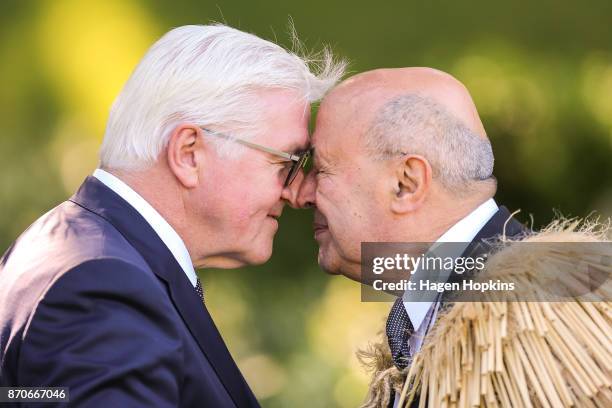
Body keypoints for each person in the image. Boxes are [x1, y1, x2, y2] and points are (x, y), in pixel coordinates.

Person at [0, 24, 344, 407]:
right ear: (188, 153)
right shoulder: (103, 286)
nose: (296, 193)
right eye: (287, 162)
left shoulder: (79, 253)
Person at [296, 67, 526, 406]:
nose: (302, 194)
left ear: (407, 184)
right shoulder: (495, 306)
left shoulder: (540, 324)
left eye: (322, 169)